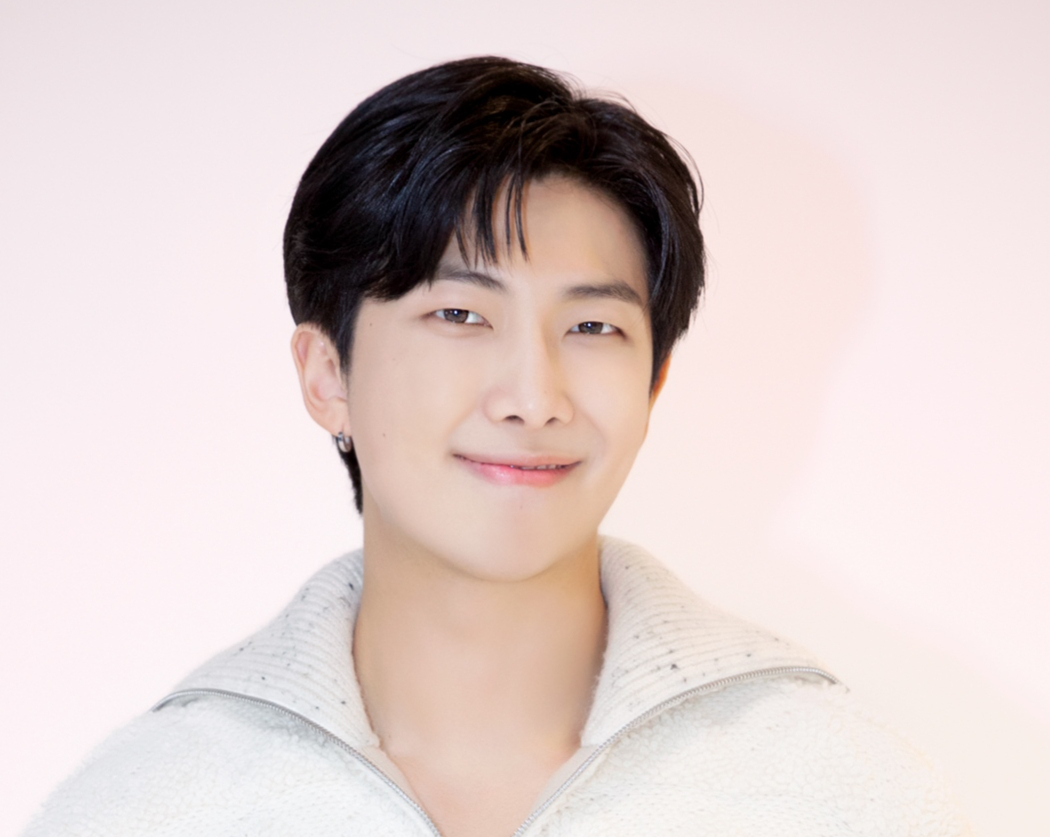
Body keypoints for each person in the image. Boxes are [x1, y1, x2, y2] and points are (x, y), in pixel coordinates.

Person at [23, 56, 969, 837]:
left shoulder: (845, 793)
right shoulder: (145, 807)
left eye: (593, 327)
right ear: (327, 374)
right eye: (461, 314)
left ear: (654, 384)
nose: (532, 397)